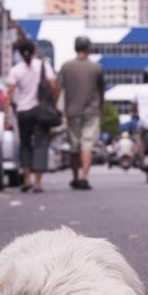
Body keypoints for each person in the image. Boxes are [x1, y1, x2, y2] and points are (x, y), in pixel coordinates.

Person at [4, 37, 58, 193]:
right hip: (41, 111)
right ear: (34, 51)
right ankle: (37, 183)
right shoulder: (43, 66)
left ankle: (26, 179)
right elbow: (54, 85)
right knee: (41, 145)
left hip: (23, 111)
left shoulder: (16, 70)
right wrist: (53, 103)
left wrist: (6, 113)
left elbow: (9, 93)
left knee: (25, 145)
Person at [57, 36, 105, 190]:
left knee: (74, 146)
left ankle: (75, 177)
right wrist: (101, 107)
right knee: (87, 145)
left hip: (72, 111)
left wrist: (56, 108)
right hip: (91, 112)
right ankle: (84, 176)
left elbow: (58, 88)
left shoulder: (66, 67)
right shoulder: (96, 68)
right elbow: (101, 90)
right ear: (88, 49)